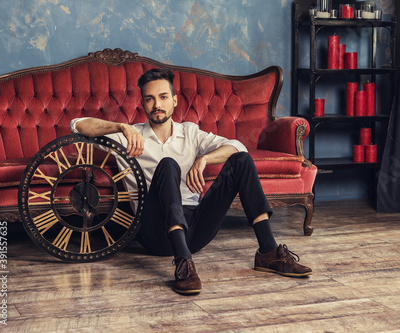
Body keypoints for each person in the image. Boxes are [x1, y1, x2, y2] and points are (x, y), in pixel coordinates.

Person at [70, 68, 311, 295]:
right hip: (154, 231)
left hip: (195, 228)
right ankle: (183, 263)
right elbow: (77, 125)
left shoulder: (190, 133)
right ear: (143, 103)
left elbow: (238, 147)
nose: (157, 104)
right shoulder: (128, 136)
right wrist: (121, 126)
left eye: (163, 97)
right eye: (150, 99)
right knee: (168, 165)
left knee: (241, 160)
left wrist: (205, 158)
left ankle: (268, 252)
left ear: (174, 100)